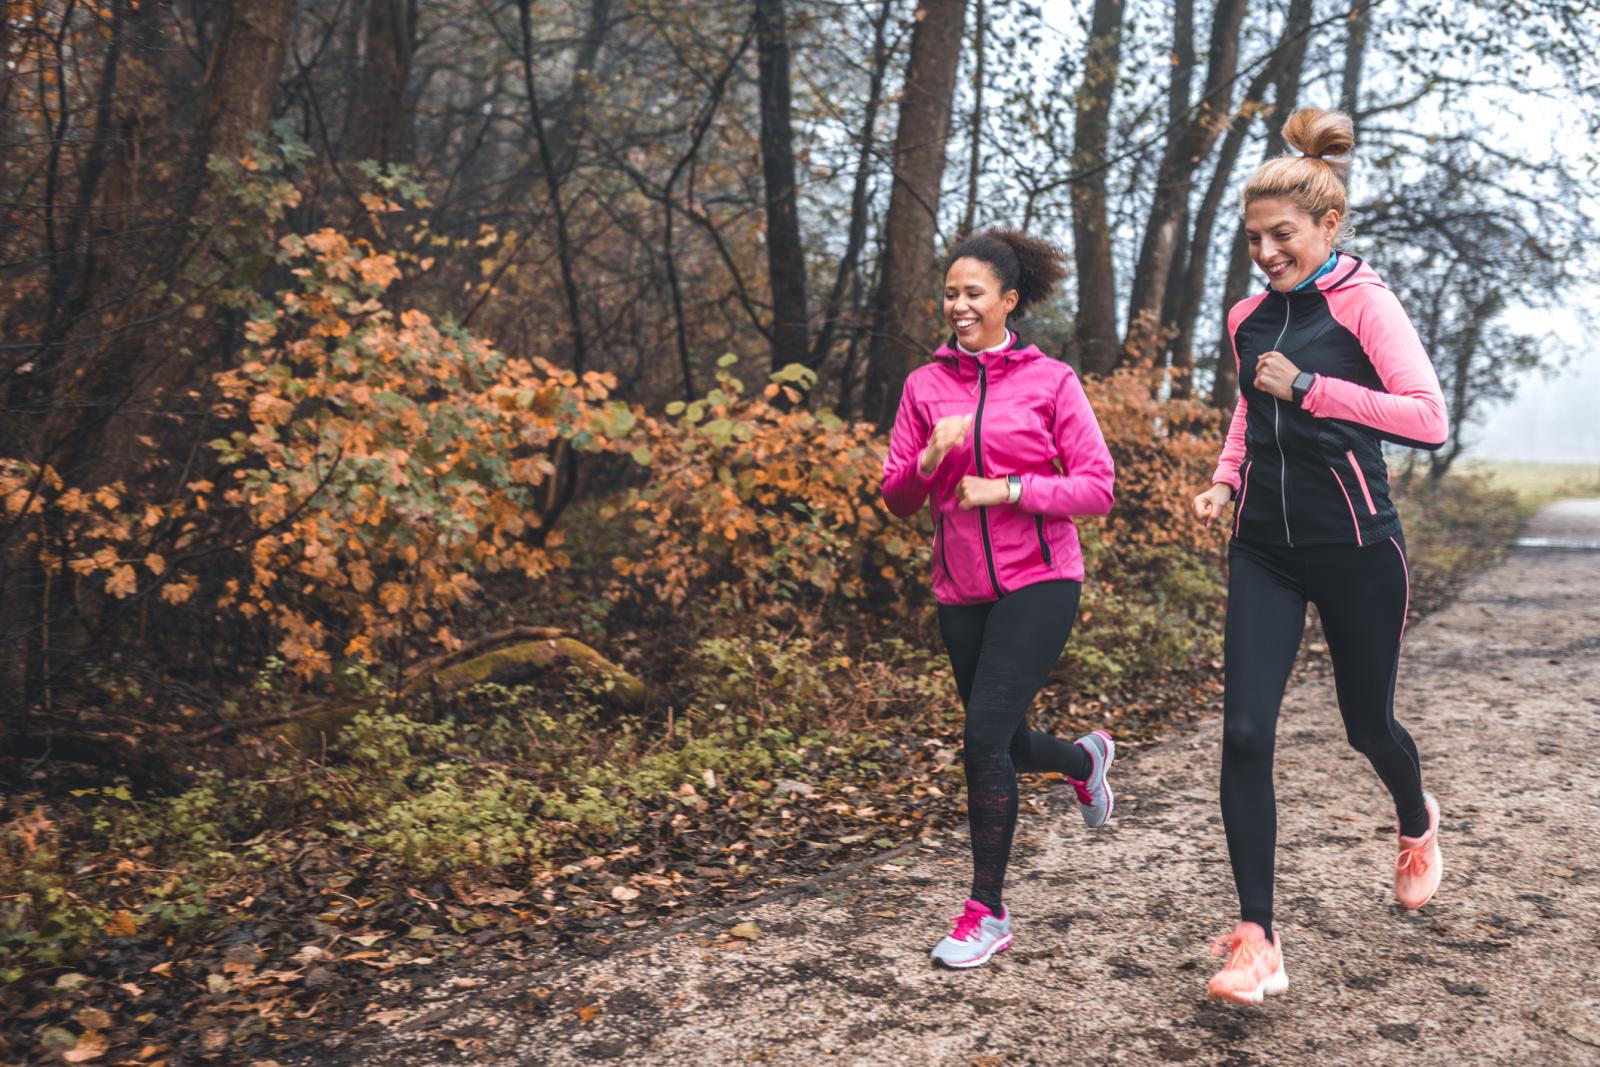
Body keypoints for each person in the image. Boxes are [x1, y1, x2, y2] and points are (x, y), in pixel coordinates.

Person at [1191, 108, 1449, 1004]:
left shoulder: (1365, 304)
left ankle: (1416, 822)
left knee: (1365, 725)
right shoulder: (1247, 317)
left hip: (1357, 548)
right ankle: (1256, 938)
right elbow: (1244, 410)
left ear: (1328, 227)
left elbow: (1427, 416)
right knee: (1245, 733)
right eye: (1254, 237)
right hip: (1264, 546)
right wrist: (1226, 480)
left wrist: (1312, 387)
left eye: (1282, 235)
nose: (1265, 252)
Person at [881, 228, 1118, 969]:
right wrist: (930, 458)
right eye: (950, 292)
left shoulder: (1051, 382)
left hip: (1042, 579)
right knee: (1005, 741)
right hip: (960, 588)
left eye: (971, 293)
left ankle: (986, 911)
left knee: (982, 738)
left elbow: (1098, 486)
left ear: (1007, 301)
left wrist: (1011, 488)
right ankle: (1082, 761)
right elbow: (896, 497)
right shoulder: (925, 387)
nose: (957, 305)